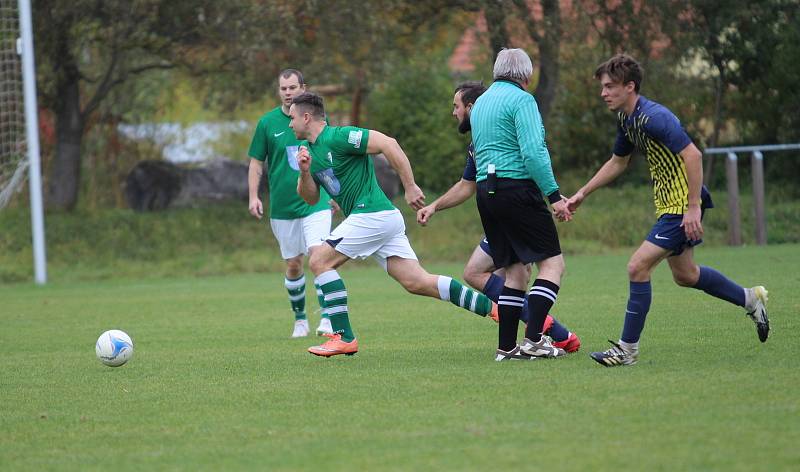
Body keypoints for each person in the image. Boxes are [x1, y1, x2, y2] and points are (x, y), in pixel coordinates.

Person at [566, 54, 769, 367]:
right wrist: (583, 193)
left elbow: (693, 155)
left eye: (610, 86)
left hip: (680, 207)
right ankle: (749, 298)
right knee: (686, 275)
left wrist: (693, 207)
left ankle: (627, 350)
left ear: (630, 86)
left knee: (637, 267)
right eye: (602, 87)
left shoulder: (654, 117)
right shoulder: (626, 118)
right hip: (669, 205)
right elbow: (618, 161)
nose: (603, 93)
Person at [288, 91, 499, 357]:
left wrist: (409, 187)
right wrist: (304, 172)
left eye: (292, 117)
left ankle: (343, 336)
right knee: (417, 282)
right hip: (378, 219)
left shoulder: (339, 136)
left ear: (306, 117)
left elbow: (388, 143)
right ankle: (495, 309)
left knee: (319, 260)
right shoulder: (310, 152)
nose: (289, 123)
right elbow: (310, 197)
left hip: (372, 214)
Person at [416, 81, 580, 353]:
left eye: (456, 106)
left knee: (520, 270)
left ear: (471, 107)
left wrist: (552, 196)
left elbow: (532, 153)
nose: (453, 113)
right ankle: (535, 334)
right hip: (503, 207)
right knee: (484, 272)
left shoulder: (498, 128)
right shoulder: (478, 142)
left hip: (511, 205)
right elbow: (466, 185)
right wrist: (434, 206)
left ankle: (541, 334)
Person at [469, 48, 573, 361]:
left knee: (515, 271)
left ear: (497, 71)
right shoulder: (522, 100)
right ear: (526, 76)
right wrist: (554, 196)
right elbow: (533, 152)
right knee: (553, 264)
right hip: (516, 189)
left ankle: (507, 348)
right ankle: (534, 340)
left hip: (486, 192)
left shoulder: (482, 103)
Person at [247, 69, 334, 338]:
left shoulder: (317, 119)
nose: (288, 92)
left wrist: (333, 193)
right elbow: (256, 162)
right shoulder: (267, 123)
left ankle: (328, 318)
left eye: (292, 87)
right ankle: (300, 320)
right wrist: (253, 196)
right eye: (283, 88)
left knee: (319, 257)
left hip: (315, 204)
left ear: (302, 88)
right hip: (283, 209)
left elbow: (329, 156)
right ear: (279, 91)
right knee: (294, 264)